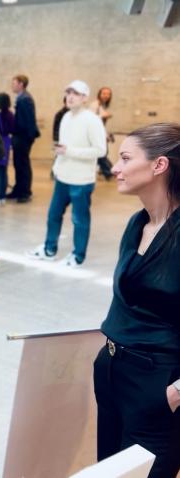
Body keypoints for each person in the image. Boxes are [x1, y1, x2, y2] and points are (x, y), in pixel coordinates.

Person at [94, 122, 180, 478]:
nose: (115, 167)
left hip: (159, 382)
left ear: (159, 165)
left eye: (125, 158)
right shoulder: (137, 223)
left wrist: (176, 391)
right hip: (113, 371)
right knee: (110, 471)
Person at [28, 80, 106, 268]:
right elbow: (64, 148)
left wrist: (69, 151)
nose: (70, 96)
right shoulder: (65, 117)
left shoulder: (92, 120)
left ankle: (78, 256)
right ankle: (49, 249)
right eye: (68, 92)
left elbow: (100, 151)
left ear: (85, 98)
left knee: (79, 220)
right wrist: (57, 165)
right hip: (62, 178)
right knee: (53, 215)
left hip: (81, 181)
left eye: (75, 93)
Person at [8, 74, 41, 203]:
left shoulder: (25, 99)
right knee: (18, 164)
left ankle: (25, 192)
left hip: (23, 137)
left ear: (21, 84)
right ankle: (18, 189)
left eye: (14, 83)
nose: (12, 85)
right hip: (20, 136)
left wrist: (28, 137)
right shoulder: (22, 97)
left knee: (23, 164)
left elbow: (28, 120)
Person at [90, 86, 115, 180]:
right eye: (104, 93)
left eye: (108, 94)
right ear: (99, 94)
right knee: (101, 153)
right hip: (95, 134)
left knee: (103, 153)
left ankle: (106, 171)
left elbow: (101, 125)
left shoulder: (103, 105)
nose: (106, 96)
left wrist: (106, 135)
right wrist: (104, 115)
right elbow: (91, 119)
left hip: (100, 133)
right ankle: (108, 172)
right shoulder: (95, 105)